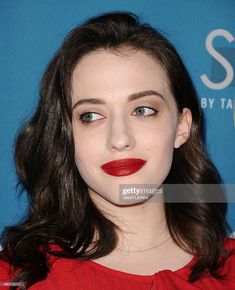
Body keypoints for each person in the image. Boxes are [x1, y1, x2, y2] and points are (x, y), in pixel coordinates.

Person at [0, 11, 234, 290]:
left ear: (182, 127)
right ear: (66, 135)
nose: (119, 138)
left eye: (143, 110)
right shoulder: (16, 277)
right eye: (90, 116)